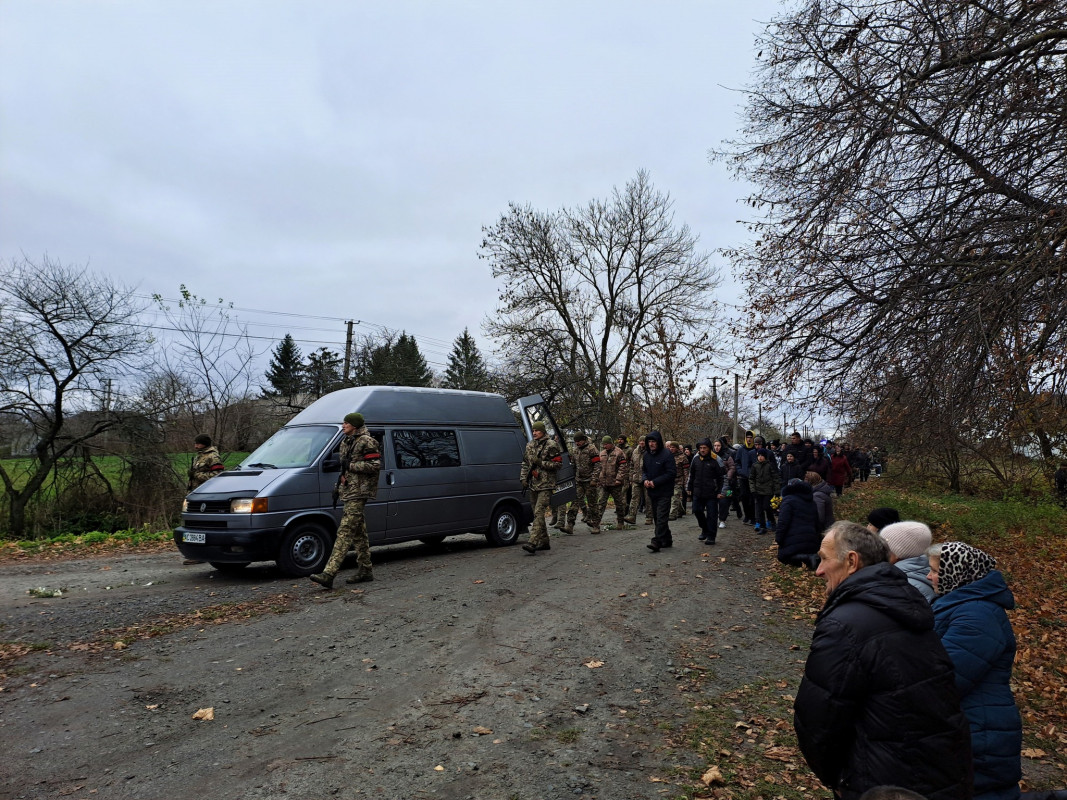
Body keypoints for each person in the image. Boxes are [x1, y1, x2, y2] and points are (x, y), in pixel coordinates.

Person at [794, 522, 972, 800]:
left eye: (825, 559)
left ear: (851, 561)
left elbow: (819, 719)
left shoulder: (846, 624)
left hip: (882, 781)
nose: (818, 570)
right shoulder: (906, 601)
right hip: (938, 771)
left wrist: (838, 778)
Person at [928, 542, 1022, 800]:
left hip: (980, 731)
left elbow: (946, 677)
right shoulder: (961, 606)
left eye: (935, 570)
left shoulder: (977, 615)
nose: (929, 576)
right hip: (969, 725)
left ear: (957, 573)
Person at [310, 412, 382, 588]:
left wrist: (350, 466)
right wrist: (341, 481)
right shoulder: (346, 441)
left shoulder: (367, 441)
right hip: (349, 490)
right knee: (359, 533)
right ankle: (365, 570)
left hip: (360, 492)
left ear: (354, 426)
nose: (343, 426)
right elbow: (345, 467)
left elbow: (375, 465)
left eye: (346, 423)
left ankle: (329, 573)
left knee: (345, 531)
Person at [520, 421, 563, 555]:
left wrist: (541, 463)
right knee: (536, 513)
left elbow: (558, 464)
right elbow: (525, 463)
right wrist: (523, 478)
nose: (534, 433)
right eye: (533, 430)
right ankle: (544, 541)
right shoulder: (530, 445)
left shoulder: (551, 445)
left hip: (546, 484)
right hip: (534, 484)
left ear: (543, 431)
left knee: (539, 512)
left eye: (537, 430)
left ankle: (532, 542)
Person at [183, 434, 225, 565]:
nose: (195, 446)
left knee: (201, 526)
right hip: (196, 494)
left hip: (206, 496)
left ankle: (202, 555)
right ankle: (197, 554)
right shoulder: (200, 456)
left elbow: (217, 475)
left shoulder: (213, 456)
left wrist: (197, 475)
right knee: (192, 525)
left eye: (198, 443)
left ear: (204, 444)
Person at [879, 521, 935, 601]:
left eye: (883, 548)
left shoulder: (907, 587)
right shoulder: (905, 577)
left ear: (898, 553)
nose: (878, 551)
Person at [642, 430, 676, 552]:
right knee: (657, 517)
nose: (651, 444)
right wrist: (645, 480)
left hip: (664, 491)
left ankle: (656, 541)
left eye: (653, 441)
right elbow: (644, 471)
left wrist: (655, 482)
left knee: (661, 516)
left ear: (658, 442)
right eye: (649, 441)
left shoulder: (666, 454)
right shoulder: (646, 455)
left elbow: (671, 473)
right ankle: (667, 539)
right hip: (652, 491)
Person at [775, 478, 820, 569]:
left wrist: (779, 539)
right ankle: (810, 558)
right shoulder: (812, 502)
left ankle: (806, 558)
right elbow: (817, 523)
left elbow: (783, 522)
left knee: (782, 556)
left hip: (793, 540)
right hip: (812, 541)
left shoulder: (788, 500)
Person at [687, 438, 724, 544]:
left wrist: (720, 491)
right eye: (700, 448)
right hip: (698, 491)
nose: (702, 450)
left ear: (709, 449)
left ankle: (711, 536)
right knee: (697, 510)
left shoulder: (716, 459)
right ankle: (704, 529)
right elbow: (691, 474)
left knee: (712, 515)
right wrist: (689, 488)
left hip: (712, 492)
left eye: (705, 448)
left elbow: (722, 477)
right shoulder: (696, 459)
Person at [564, 433, 601, 534]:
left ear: (584, 440)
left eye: (579, 441)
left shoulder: (592, 449)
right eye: (576, 441)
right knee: (574, 503)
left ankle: (596, 525)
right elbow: (574, 466)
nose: (577, 443)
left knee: (592, 504)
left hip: (589, 481)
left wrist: (594, 479)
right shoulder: (576, 450)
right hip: (579, 481)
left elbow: (597, 465)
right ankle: (570, 525)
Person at [596, 435, 630, 531]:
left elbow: (623, 467)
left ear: (611, 444)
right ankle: (596, 524)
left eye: (606, 444)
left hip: (615, 484)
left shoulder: (619, 452)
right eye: (603, 444)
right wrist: (598, 479)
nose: (604, 446)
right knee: (601, 503)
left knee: (619, 503)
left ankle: (620, 522)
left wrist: (619, 479)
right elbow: (599, 467)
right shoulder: (602, 454)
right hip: (604, 483)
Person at [749, 447, 780, 533]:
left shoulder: (769, 465)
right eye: (759, 455)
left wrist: (777, 491)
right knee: (759, 509)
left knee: (767, 507)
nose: (760, 457)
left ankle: (772, 522)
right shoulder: (754, 466)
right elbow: (751, 478)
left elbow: (775, 478)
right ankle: (763, 527)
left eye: (762, 455)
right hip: (758, 490)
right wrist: (753, 490)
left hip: (768, 491)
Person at [734, 430, 759, 525]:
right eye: (747, 437)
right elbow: (737, 462)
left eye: (751, 437)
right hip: (743, 478)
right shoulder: (741, 449)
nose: (749, 439)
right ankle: (747, 515)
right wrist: (740, 471)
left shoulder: (756, 450)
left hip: (754, 478)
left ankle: (753, 517)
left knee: (752, 498)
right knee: (744, 497)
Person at [625, 439, 652, 526]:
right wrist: (631, 477)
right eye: (640, 441)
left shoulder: (650, 451)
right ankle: (632, 516)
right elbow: (631, 465)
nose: (641, 443)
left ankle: (649, 517)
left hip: (647, 479)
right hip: (636, 478)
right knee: (634, 498)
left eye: (643, 441)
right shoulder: (635, 451)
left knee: (648, 499)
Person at [713, 437, 739, 527]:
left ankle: (722, 519)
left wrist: (728, 476)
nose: (716, 447)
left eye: (718, 445)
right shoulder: (711, 456)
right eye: (715, 446)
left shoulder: (727, 456)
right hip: (714, 481)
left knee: (725, 500)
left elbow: (732, 467)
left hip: (727, 481)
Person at [668, 441, 689, 520]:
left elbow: (686, 471)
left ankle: (672, 514)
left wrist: (686, 482)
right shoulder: (668, 456)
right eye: (670, 447)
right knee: (672, 497)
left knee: (675, 496)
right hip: (669, 480)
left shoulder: (683, 457)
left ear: (676, 448)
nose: (671, 449)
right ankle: (680, 510)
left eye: (673, 447)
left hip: (679, 479)